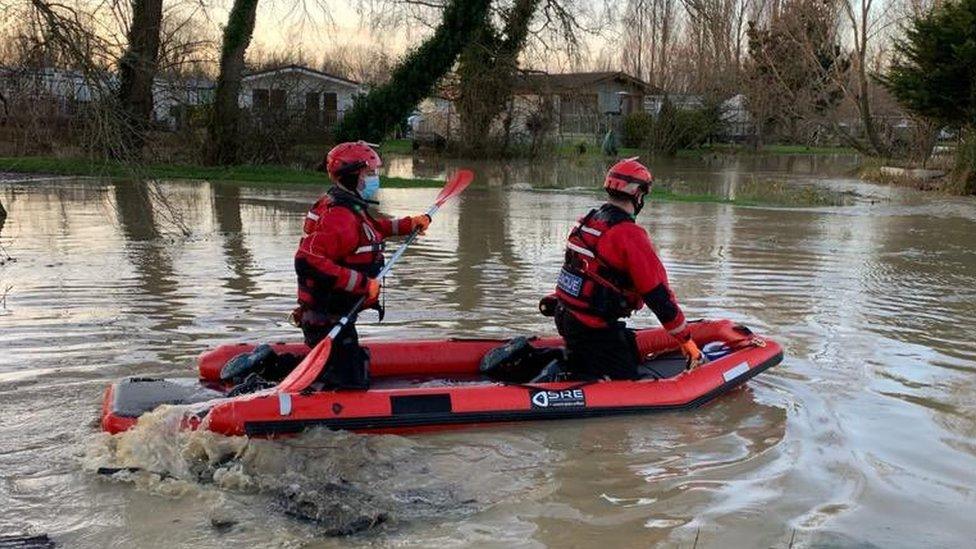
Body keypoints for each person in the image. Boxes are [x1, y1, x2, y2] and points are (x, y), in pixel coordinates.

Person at [223, 141, 430, 392]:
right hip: (327, 317)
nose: (376, 179)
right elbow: (307, 260)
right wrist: (364, 284)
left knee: (339, 366)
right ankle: (265, 374)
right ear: (352, 176)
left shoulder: (347, 206)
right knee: (351, 381)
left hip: (333, 313)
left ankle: (267, 364)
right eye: (370, 174)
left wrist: (409, 224)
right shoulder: (339, 216)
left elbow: (372, 231)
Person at [544, 157, 703, 381]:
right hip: (593, 329)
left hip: (567, 317)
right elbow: (658, 296)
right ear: (638, 195)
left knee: (625, 348)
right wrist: (685, 339)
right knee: (627, 380)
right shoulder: (629, 235)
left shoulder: (587, 222)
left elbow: (577, 272)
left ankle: (574, 369)